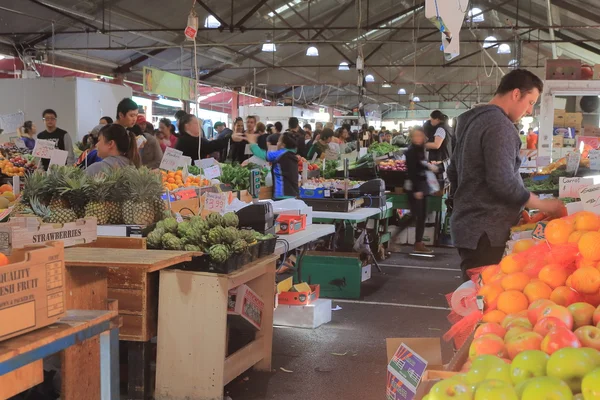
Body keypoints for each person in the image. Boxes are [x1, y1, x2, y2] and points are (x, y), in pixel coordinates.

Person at [448, 69, 565, 281]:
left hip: (470, 226)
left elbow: (452, 171)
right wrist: (543, 205)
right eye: (531, 102)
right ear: (516, 94)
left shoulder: (470, 121)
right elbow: (501, 181)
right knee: (487, 298)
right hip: (487, 232)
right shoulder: (500, 125)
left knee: (473, 295)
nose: (530, 110)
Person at [404, 127, 437, 254]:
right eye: (415, 136)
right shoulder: (411, 151)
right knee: (415, 216)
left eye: (420, 135)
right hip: (415, 188)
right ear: (412, 137)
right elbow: (411, 172)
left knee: (421, 215)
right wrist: (416, 190)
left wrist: (429, 167)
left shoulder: (420, 149)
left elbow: (421, 165)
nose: (418, 138)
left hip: (422, 186)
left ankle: (418, 243)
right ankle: (396, 237)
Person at [246, 131, 299, 199]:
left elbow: (262, 154)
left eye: (278, 141)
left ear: (283, 145)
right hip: (293, 194)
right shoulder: (293, 155)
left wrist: (252, 142)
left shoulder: (280, 153)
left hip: (281, 194)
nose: (277, 143)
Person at [176, 113, 243, 162]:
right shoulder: (186, 140)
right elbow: (210, 146)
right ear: (187, 126)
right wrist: (230, 139)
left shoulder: (193, 139)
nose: (199, 126)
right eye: (196, 123)